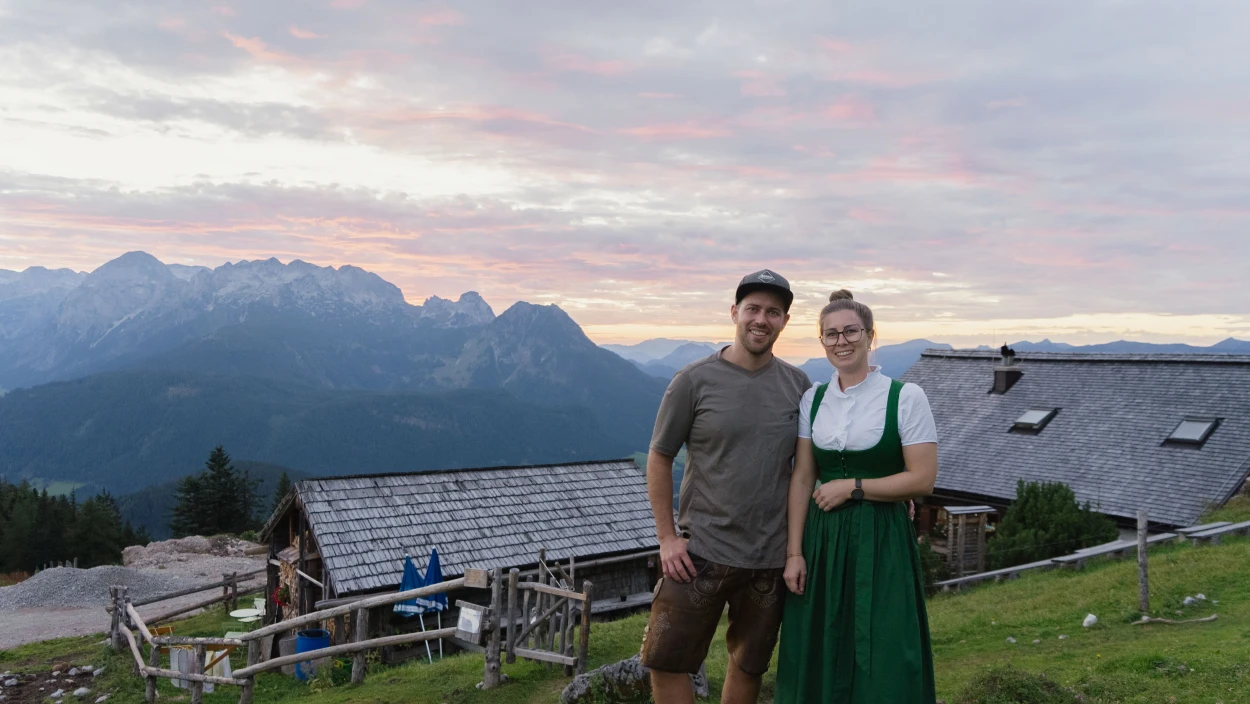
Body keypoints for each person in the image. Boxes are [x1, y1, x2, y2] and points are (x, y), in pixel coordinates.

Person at [640, 269, 811, 704]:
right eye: (753, 308)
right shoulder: (693, 381)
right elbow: (659, 457)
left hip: (769, 560)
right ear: (735, 312)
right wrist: (666, 538)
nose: (762, 319)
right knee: (666, 660)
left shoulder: (799, 386)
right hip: (698, 553)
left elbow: (812, 466)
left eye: (774, 312)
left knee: (749, 664)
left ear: (785, 322)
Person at [776, 289, 939, 703]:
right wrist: (795, 553)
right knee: (822, 640)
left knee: (885, 642)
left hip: (882, 537)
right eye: (830, 334)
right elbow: (802, 478)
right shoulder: (813, 399)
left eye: (851, 331)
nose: (841, 341)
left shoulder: (905, 397)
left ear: (870, 335)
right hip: (823, 538)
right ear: (822, 341)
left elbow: (922, 480)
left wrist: (855, 487)